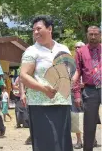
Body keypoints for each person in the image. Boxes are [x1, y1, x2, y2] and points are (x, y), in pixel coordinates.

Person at [20, 15, 73, 151]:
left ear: (49, 29)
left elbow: (70, 71)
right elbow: (24, 75)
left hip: (62, 102)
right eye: (33, 30)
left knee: (62, 143)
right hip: (41, 104)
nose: (35, 32)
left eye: (39, 28)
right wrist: (43, 89)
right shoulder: (32, 51)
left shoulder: (64, 48)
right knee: (45, 143)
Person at [72, 26, 101, 151]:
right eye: (91, 34)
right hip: (90, 90)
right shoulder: (80, 52)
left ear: (100, 35)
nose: (93, 37)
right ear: (87, 35)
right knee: (89, 126)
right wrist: (77, 95)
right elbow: (77, 73)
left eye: (96, 34)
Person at [71, 41, 85, 149]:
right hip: (75, 93)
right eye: (75, 47)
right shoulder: (71, 63)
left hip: (89, 91)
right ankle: (79, 141)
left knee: (90, 117)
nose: (77, 49)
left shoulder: (91, 60)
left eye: (79, 47)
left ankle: (91, 139)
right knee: (77, 117)